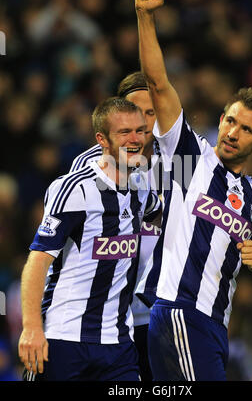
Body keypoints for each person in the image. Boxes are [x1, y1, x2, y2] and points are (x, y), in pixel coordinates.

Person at [134, 0, 252, 381]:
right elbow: (158, 84)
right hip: (180, 311)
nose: (234, 132)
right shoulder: (191, 160)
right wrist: (145, 17)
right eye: (230, 120)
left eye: (247, 130)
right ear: (221, 119)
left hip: (216, 325)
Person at [18, 96, 161, 381]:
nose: (135, 140)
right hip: (64, 337)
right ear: (102, 140)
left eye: (140, 131)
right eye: (124, 132)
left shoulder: (142, 190)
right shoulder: (74, 188)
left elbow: (165, 216)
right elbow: (38, 259)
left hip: (119, 344)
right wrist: (32, 326)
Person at [69, 71, 161, 381]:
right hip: (105, 319)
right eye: (135, 113)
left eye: (150, 113)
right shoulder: (89, 166)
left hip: (158, 317)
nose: (143, 124)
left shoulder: (177, 162)